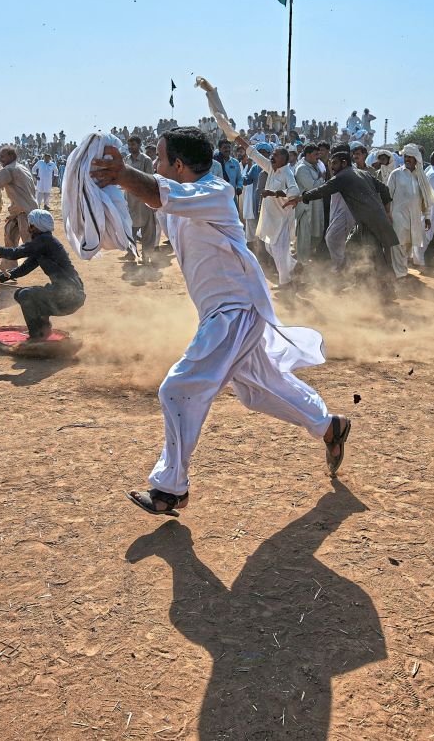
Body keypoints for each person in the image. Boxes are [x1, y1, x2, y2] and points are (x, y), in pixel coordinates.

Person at [88, 127, 350, 516]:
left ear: (178, 164)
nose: (156, 167)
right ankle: (330, 427)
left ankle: (170, 489)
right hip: (221, 313)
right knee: (258, 390)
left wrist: (122, 175)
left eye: (161, 159)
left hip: (236, 311)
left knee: (178, 388)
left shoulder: (214, 192)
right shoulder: (175, 195)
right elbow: (153, 194)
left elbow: (158, 192)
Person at [0, 209, 85, 341]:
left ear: (34, 227)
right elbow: (24, 268)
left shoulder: (44, 241)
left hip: (66, 297)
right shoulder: (45, 243)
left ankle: (37, 336)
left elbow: (14, 253)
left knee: (24, 294)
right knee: (26, 294)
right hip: (71, 297)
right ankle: (44, 330)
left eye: (30, 226)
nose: (28, 230)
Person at [302, 144, 401, 282]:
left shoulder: (343, 176)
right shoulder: (362, 173)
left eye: (335, 163)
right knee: (352, 248)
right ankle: (358, 281)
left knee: (375, 255)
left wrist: (302, 197)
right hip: (370, 221)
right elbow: (384, 189)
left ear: (344, 163)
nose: (332, 167)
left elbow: (322, 190)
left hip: (370, 223)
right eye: (331, 164)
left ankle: (385, 290)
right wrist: (387, 211)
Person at [243, 144, 300, 289]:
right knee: (269, 247)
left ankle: (285, 283)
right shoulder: (270, 168)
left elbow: (294, 191)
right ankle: (294, 265)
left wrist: (274, 193)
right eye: (272, 154)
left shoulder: (287, 173)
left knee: (279, 251)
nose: (272, 157)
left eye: (276, 155)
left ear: (284, 159)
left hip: (282, 220)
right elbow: (255, 155)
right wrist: (236, 138)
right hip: (270, 219)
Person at [387, 144, 434, 268]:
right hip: (398, 216)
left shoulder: (421, 177)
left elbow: (426, 198)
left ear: (416, 159)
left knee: (408, 245)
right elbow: (387, 196)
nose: (407, 159)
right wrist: (387, 213)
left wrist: (427, 217)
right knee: (399, 244)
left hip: (415, 218)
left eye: (410, 157)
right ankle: (400, 274)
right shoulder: (396, 174)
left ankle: (401, 270)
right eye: (406, 156)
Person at [121, 136, 159, 262]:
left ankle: (146, 255)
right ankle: (131, 253)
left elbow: (150, 180)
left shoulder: (146, 160)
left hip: (144, 200)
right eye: (129, 145)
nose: (131, 147)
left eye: (133, 144)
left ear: (139, 145)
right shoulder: (126, 160)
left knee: (147, 229)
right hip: (130, 200)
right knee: (129, 227)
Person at [293, 144, 327, 271]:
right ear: (307, 155)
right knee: (304, 240)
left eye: (318, 154)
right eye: (315, 155)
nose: (318, 157)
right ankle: (300, 269)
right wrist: (322, 178)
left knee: (316, 237)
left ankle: (302, 263)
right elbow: (313, 187)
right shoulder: (302, 169)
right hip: (306, 210)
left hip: (316, 208)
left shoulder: (315, 166)